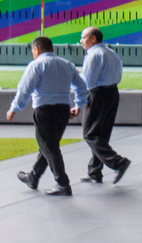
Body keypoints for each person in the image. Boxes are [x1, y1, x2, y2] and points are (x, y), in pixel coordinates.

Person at [7, 35, 87, 195]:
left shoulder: (36, 65)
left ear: (36, 50)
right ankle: (33, 177)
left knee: (49, 147)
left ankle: (63, 184)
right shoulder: (66, 64)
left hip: (45, 110)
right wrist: (78, 104)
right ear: (52, 49)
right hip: (63, 110)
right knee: (48, 145)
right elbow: (81, 86)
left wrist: (14, 108)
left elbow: (25, 89)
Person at [78, 27, 131, 186]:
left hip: (98, 95)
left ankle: (118, 162)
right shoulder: (111, 53)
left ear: (93, 39)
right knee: (102, 134)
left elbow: (88, 81)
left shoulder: (93, 55)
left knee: (90, 134)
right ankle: (95, 171)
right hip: (112, 93)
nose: (81, 41)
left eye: (83, 37)